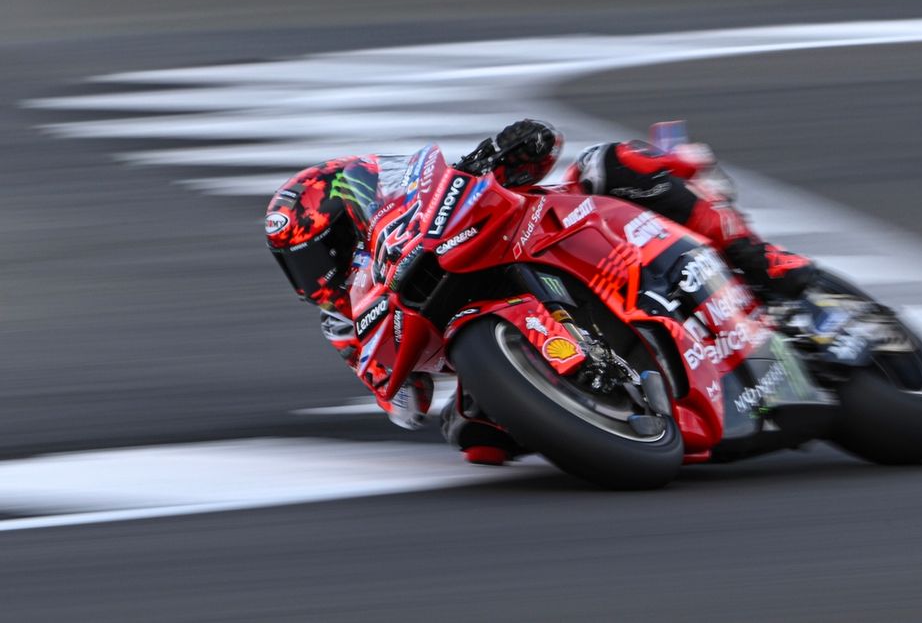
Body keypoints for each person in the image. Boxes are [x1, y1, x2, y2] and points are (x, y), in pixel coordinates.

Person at [265, 120, 815, 462]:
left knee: (607, 164)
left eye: (324, 252)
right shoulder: (343, 321)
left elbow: (543, 142)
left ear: (355, 213)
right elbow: (407, 404)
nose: (317, 276)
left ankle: (756, 256)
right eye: (301, 265)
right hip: (493, 332)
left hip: (575, 235)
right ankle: (602, 409)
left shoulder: (420, 206)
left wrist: (505, 154)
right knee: (477, 439)